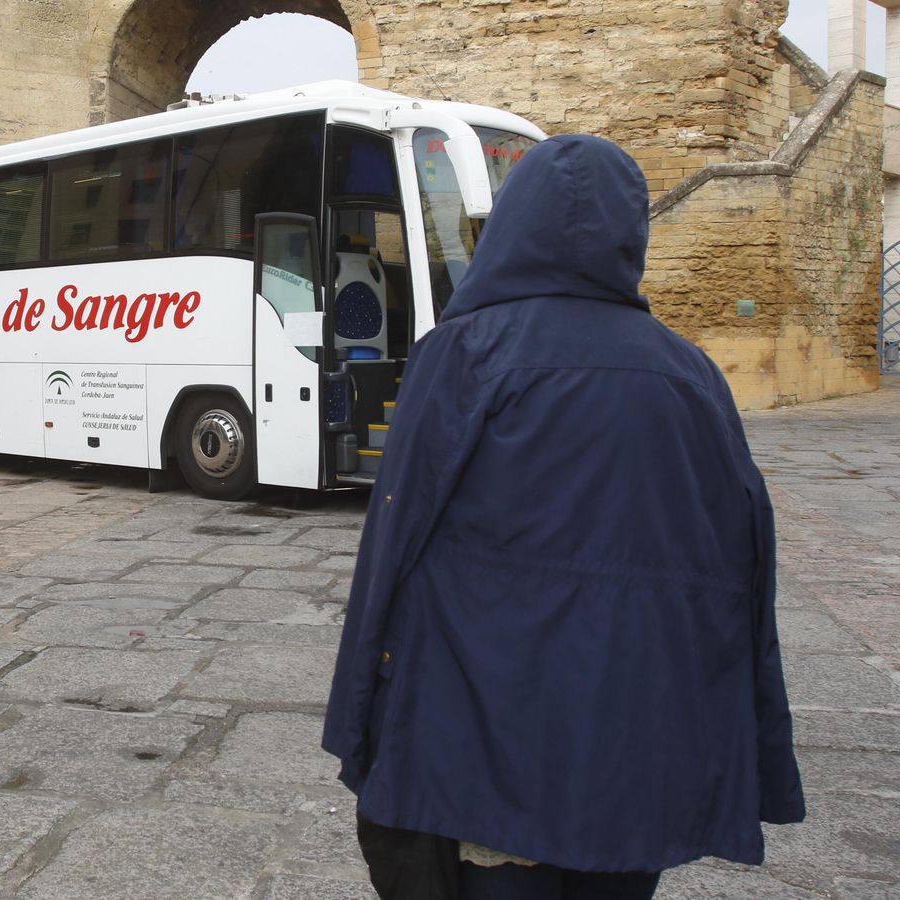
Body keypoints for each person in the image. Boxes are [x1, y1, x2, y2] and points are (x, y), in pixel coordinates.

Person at [322, 135, 804, 900]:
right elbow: (746, 570)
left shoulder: (464, 354)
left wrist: (359, 729)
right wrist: (748, 744)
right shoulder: (692, 374)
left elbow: (392, 549)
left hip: (488, 751)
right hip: (639, 751)